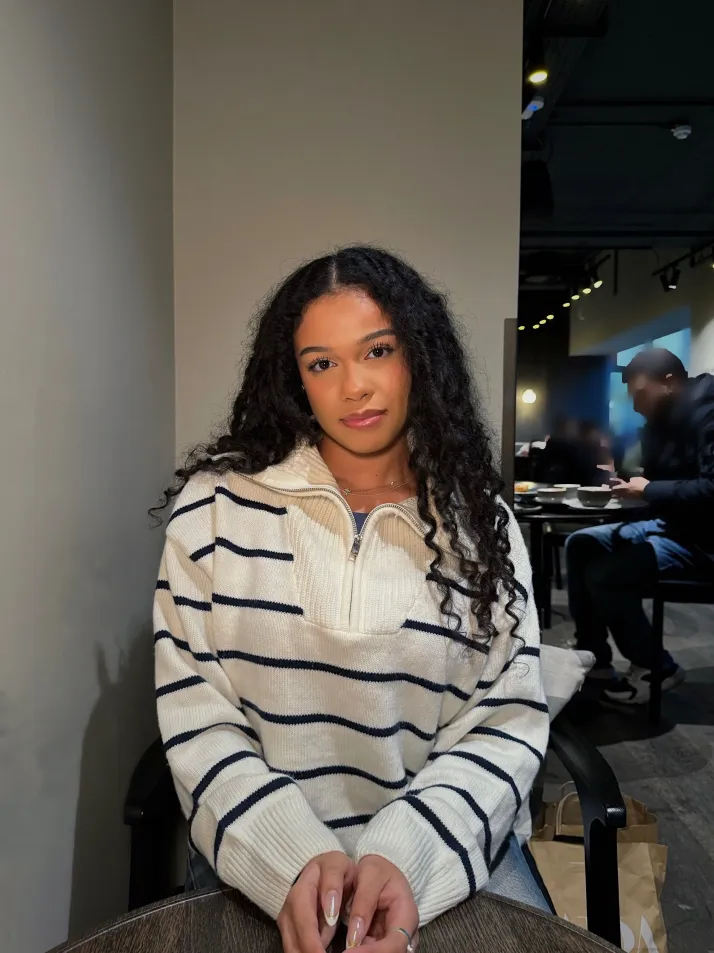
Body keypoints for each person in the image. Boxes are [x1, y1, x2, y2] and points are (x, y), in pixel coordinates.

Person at [153, 247, 549, 953]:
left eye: (378, 350)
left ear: (418, 357)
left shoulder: (478, 523)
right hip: (256, 849)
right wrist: (290, 853)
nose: (354, 386)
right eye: (322, 363)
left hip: (443, 849)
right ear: (294, 378)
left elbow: (503, 722)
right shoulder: (213, 509)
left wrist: (406, 852)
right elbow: (196, 710)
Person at [565, 348, 714, 704]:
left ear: (669, 383)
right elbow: (665, 482)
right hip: (671, 525)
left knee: (608, 574)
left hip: (703, 542)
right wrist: (634, 489)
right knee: (580, 544)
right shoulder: (664, 421)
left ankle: (658, 668)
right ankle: (595, 659)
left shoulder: (708, 414)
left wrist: (649, 489)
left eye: (639, 395)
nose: (634, 406)